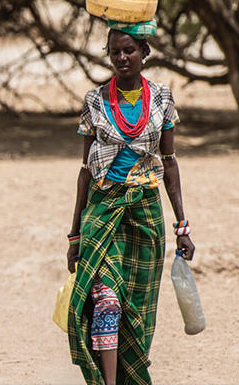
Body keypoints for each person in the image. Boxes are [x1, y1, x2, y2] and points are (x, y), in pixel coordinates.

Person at [66, 19, 195, 385]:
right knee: (106, 300)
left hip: (145, 215)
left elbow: (169, 164)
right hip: (102, 210)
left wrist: (182, 225)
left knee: (136, 311)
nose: (122, 57)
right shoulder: (94, 101)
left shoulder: (163, 99)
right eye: (115, 52)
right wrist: (74, 234)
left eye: (129, 50)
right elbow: (85, 169)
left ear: (145, 53)